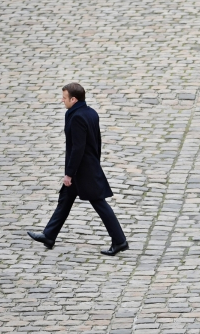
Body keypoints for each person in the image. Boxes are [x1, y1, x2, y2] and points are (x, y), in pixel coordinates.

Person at [28, 83, 128, 256]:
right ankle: (49, 235)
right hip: (87, 166)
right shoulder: (91, 113)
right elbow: (97, 142)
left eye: (64, 98)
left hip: (83, 170)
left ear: (73, 99)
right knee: (65, 199)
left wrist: (69, 173)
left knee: (100, 204)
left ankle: (120, 241)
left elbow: (77, 148)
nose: (62, 100)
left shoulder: (76, 117)